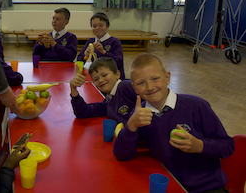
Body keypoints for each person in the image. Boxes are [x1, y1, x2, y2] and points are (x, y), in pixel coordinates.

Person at [113, 53, 234, 193]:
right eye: (141, 83)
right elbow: (121, 154)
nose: (150, 87)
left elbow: (228, 145)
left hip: (207, 188)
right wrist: (131, 126)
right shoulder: (140, 113)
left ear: (167, 78)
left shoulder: (196, 106)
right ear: (134, 88)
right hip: (168, 185)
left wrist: (199, 145)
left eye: (155, 79)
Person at [70, 57, 136, 124]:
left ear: (117, 74)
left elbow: (145, 97)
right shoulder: (109, 101)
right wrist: (73, 89)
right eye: (96, 79)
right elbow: (83, 112)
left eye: (104, 75)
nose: (100, 80)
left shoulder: (125, 86)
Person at [77, 12, 125, 79]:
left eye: (101, 25)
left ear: (108, 26)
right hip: (96, 77)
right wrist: (85, 56)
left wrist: (104, 52)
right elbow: (79, 60)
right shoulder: (91, 41)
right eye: (94, 26)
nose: (97, 28)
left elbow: (119, 63)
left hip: (112, 79)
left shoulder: (114, 41)